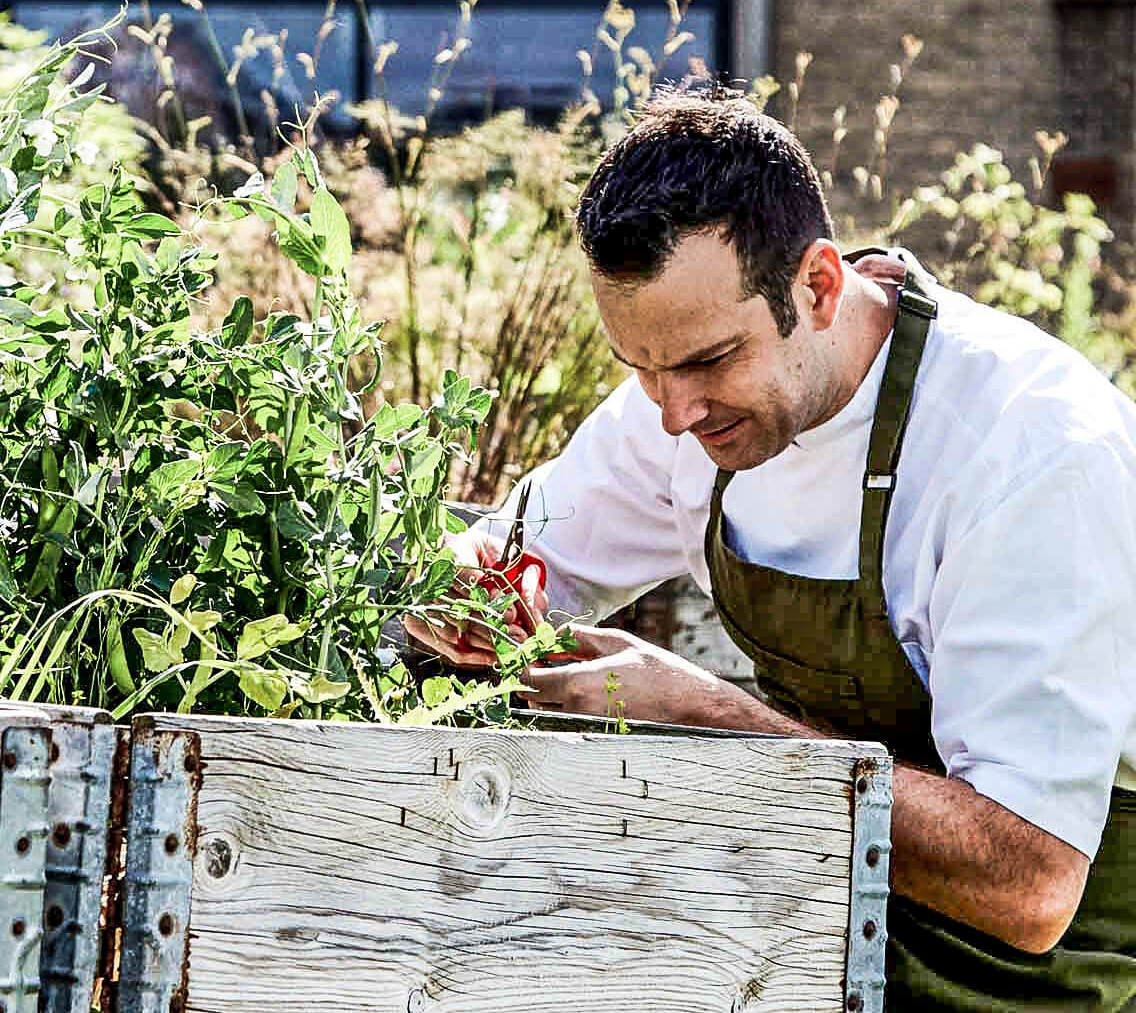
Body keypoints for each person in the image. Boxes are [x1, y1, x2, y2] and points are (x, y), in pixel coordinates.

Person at [403, 90, 1136, 1009]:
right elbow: (514, 563)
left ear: (818, 287)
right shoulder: (679, 413)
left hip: (1052, 983)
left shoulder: (1028, 449)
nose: (675, 412)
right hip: (829, 948)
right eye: (643, 369)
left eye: (710, 361)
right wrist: (468, 602)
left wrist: (709, 719)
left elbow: (1031, 883)